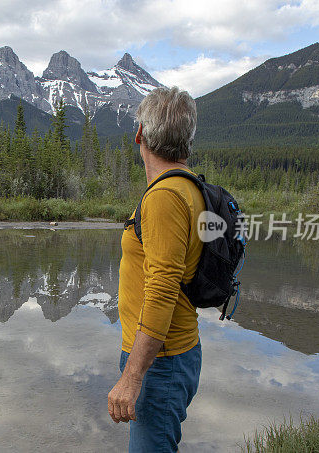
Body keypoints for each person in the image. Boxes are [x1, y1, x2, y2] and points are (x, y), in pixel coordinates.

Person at [108, 86, 204, 452]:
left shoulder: (164, 197)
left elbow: (162, 290)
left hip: (160, 363)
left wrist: (133, 378)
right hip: (168, 356)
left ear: (140, 135)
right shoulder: (186, 187)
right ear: (187, 140)